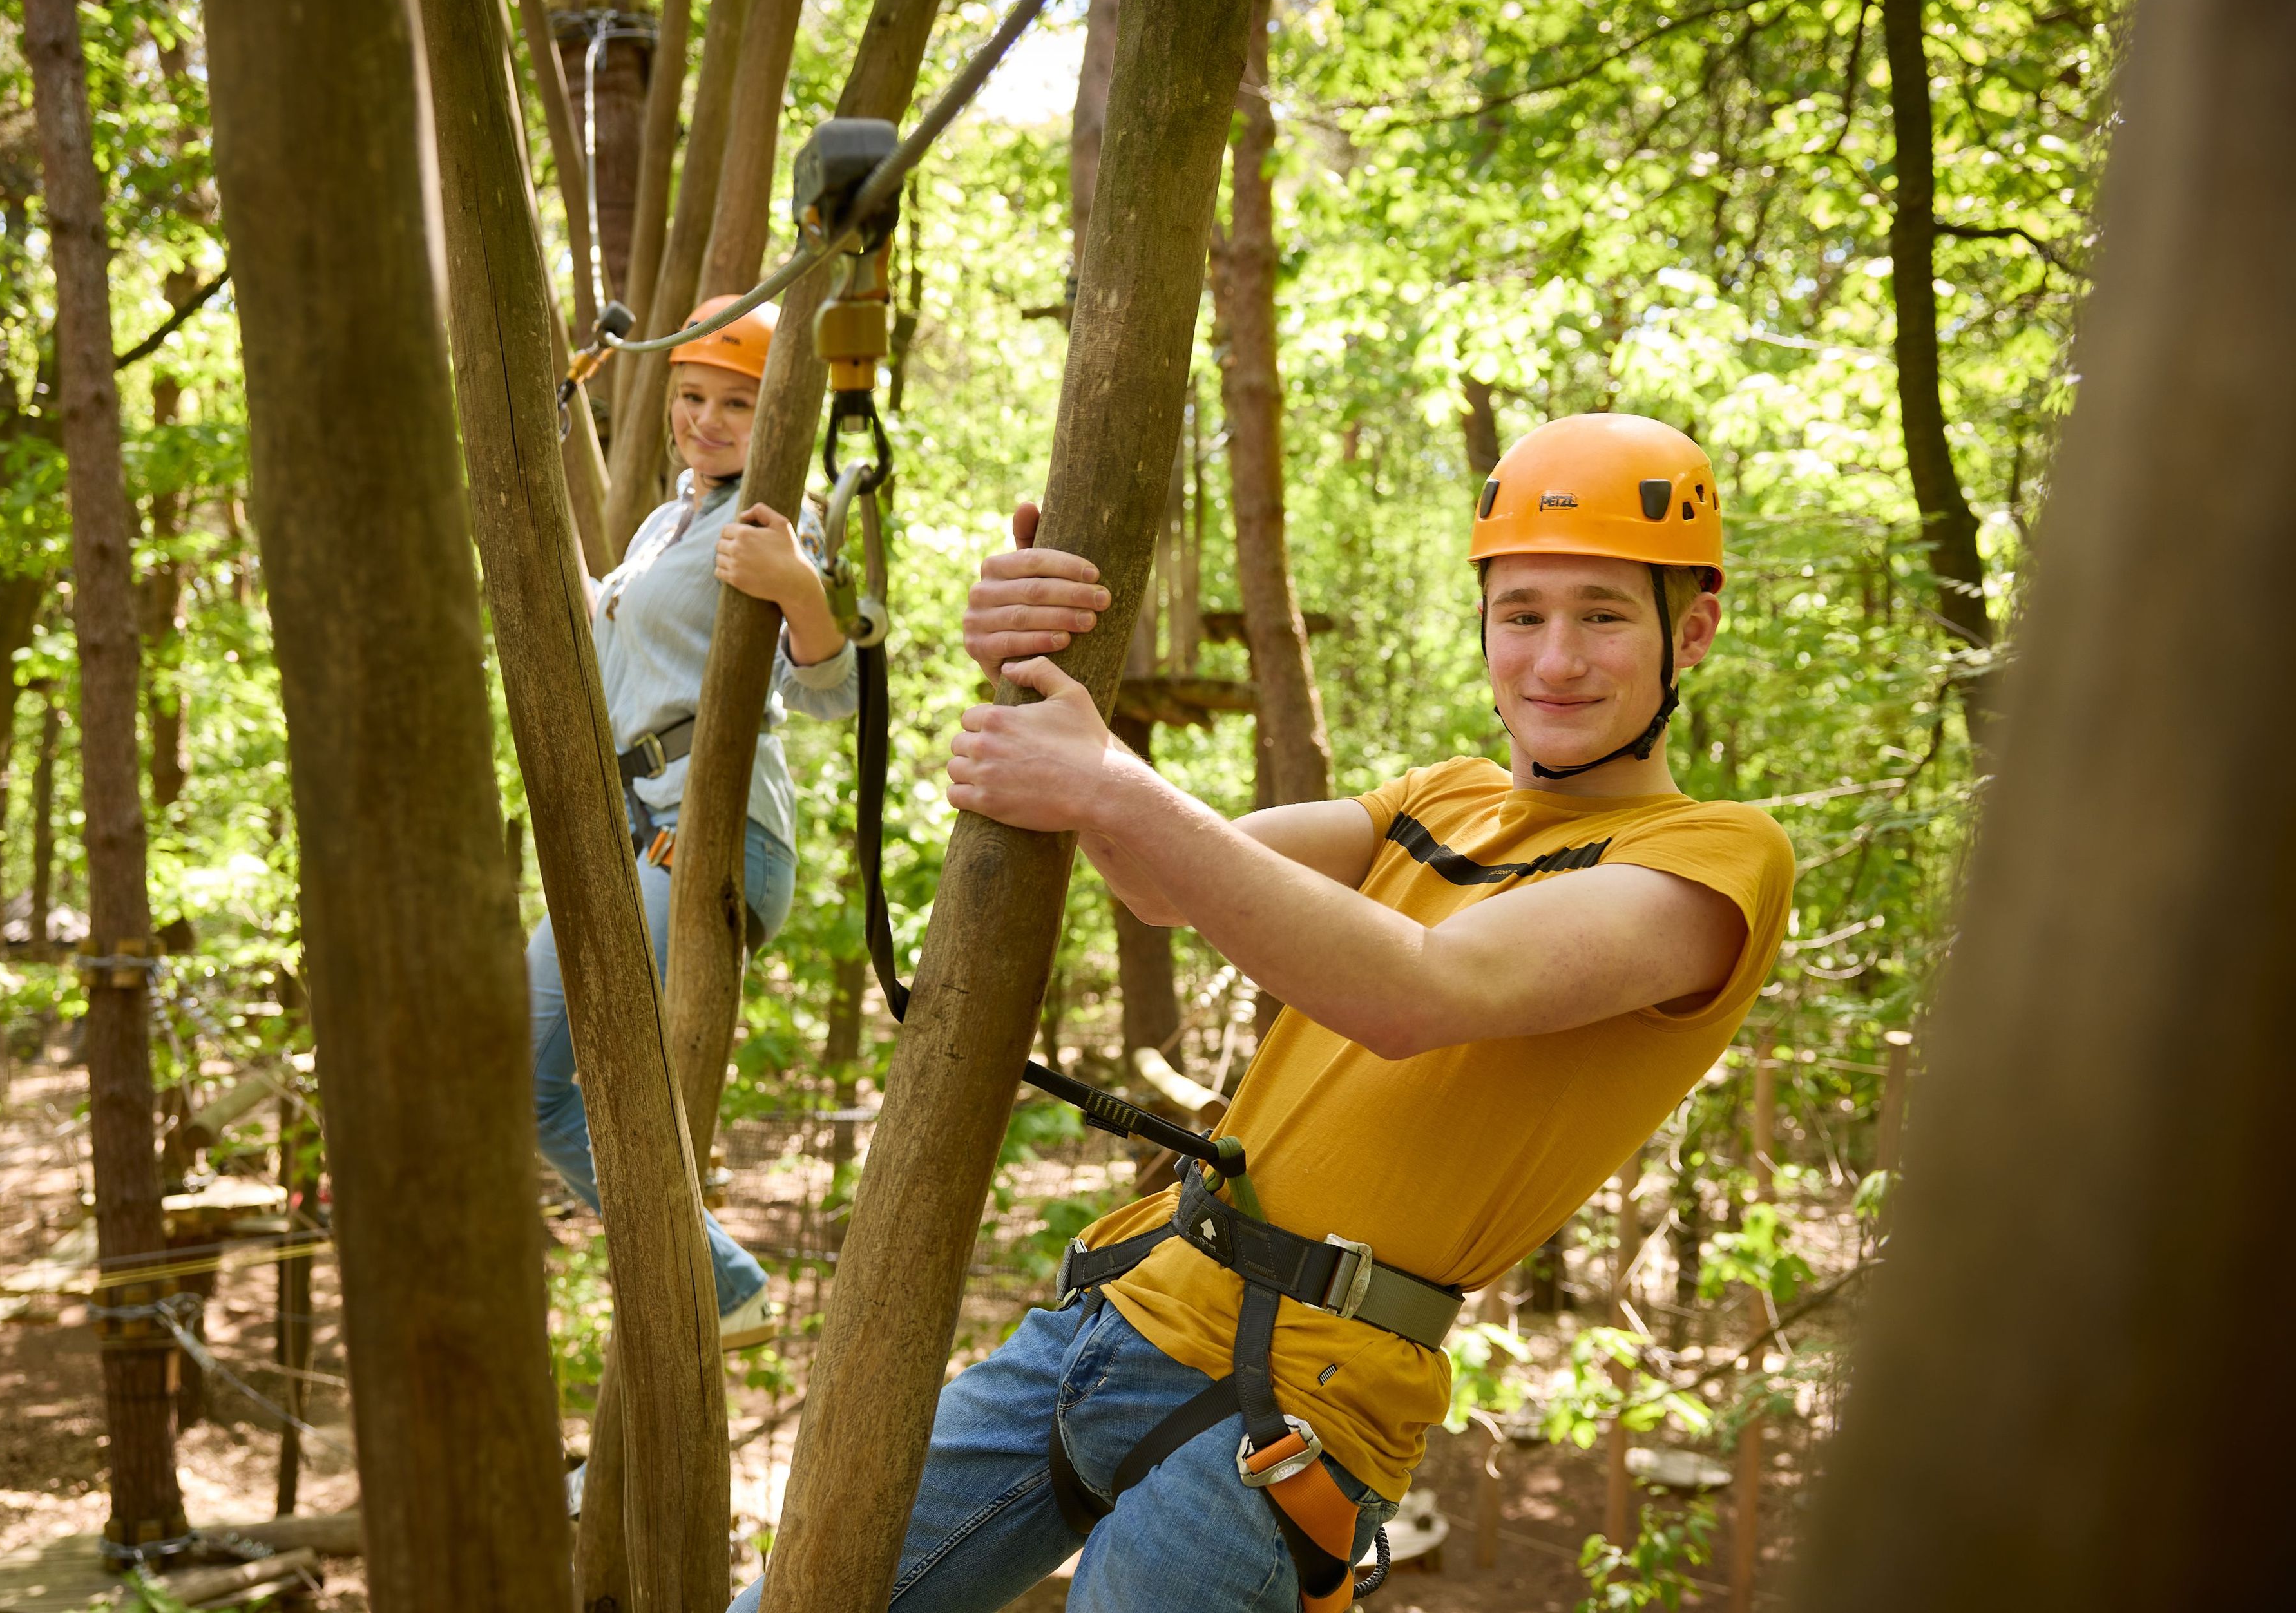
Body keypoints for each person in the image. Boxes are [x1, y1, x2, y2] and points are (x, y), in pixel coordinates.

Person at [729, 413, 1796, 1612]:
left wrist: (1106, 778)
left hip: (1294, 1408)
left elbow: (1419, 991)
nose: (1554, 658)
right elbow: (1160, 874)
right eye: (1522, 613)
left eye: (1603, 613)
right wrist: (1055, 672)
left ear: (1688, 631)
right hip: (1122, 1311)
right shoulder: (1440, 798)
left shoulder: (1714, 862)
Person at [528, 296, 857, 1358]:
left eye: (737, 403)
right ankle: (715, 1279)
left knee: (623, 1071)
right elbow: (612, 631)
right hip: (633, 834)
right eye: (691, 397)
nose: (707, 421)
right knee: (524, 1076)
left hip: (714, 835)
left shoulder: (770, 519)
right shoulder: (669, 521)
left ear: (777, 420)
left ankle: (708, 1289)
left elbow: (828, 693)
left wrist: (802, 592)